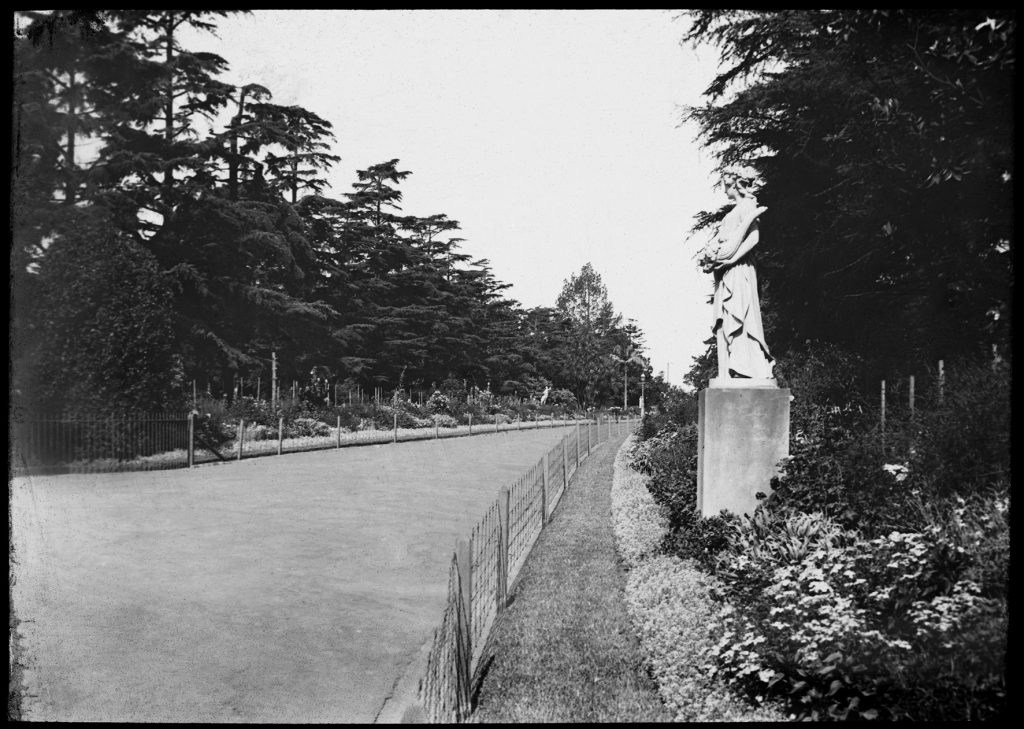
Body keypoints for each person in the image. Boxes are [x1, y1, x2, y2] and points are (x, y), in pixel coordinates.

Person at [708, 171, 774, 380]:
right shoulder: (738, 208)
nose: (722, 186)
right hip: (727, 271)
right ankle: (729, 370)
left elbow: (753, 239)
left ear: (734, 183)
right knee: (727, 321)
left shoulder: (747, 206)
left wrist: (731, 259)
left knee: (741, 317)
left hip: (740, 269)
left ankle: (746, 368)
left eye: (725, 182)